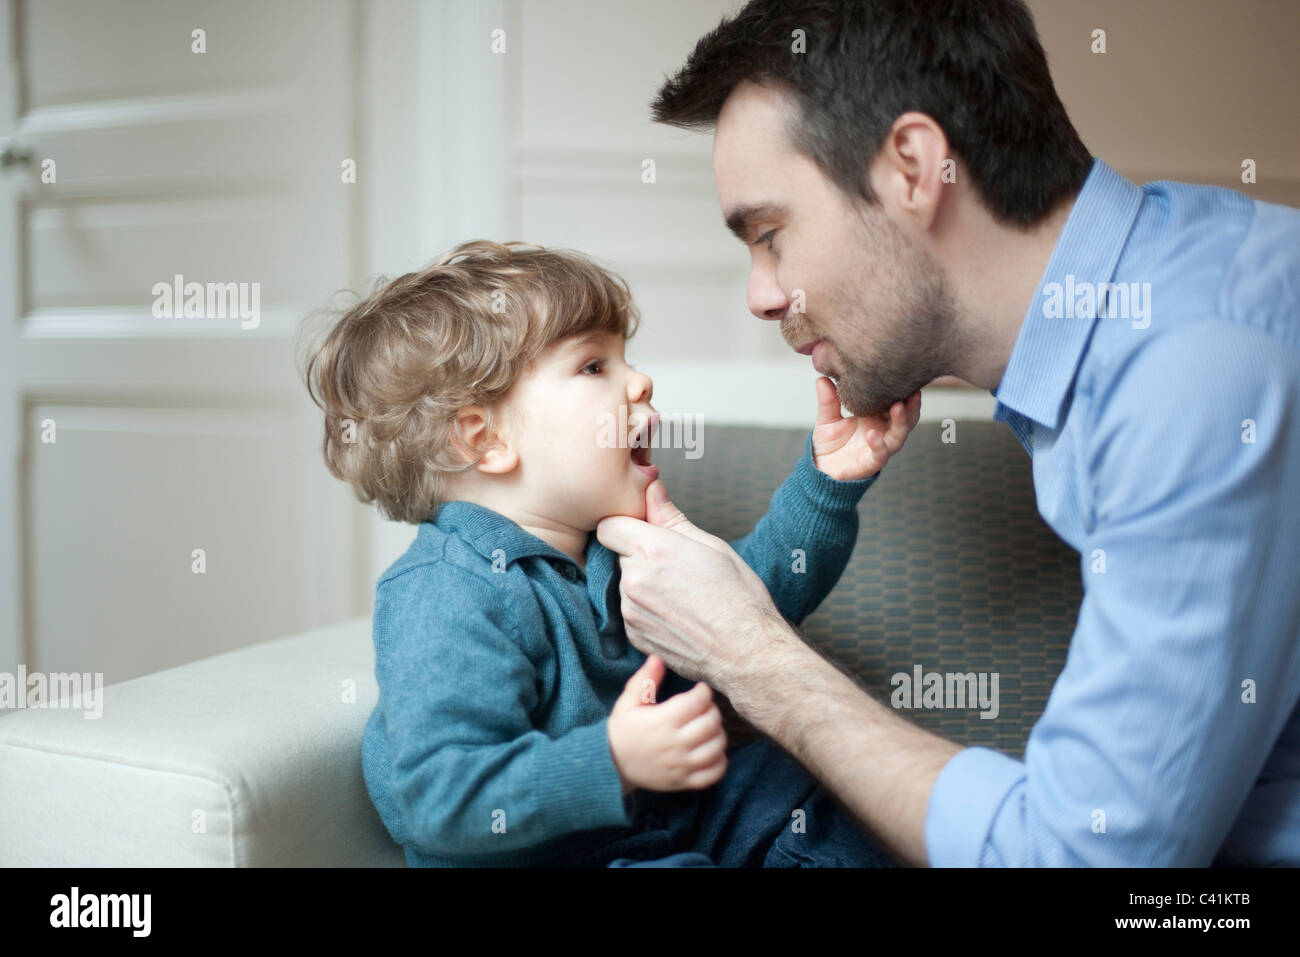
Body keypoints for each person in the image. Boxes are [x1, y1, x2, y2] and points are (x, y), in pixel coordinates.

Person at [596, 0, 1300, 866]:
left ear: (915, 167)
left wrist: (752, 656)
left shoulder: (1193, 370)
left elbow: (1088, 861)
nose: (761, 294)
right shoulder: (1137, 317)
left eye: (771, 235)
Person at [299, 238, 917, 866]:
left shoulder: (616, 549)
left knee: (791, 786)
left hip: (665, 826)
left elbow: (745, 602)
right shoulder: (448, 590)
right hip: (554, 857)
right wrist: (612, 760)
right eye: (594, 366)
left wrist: (827, 485)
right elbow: (439, 798)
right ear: (483, 440)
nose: (641, 380)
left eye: (625, 358)